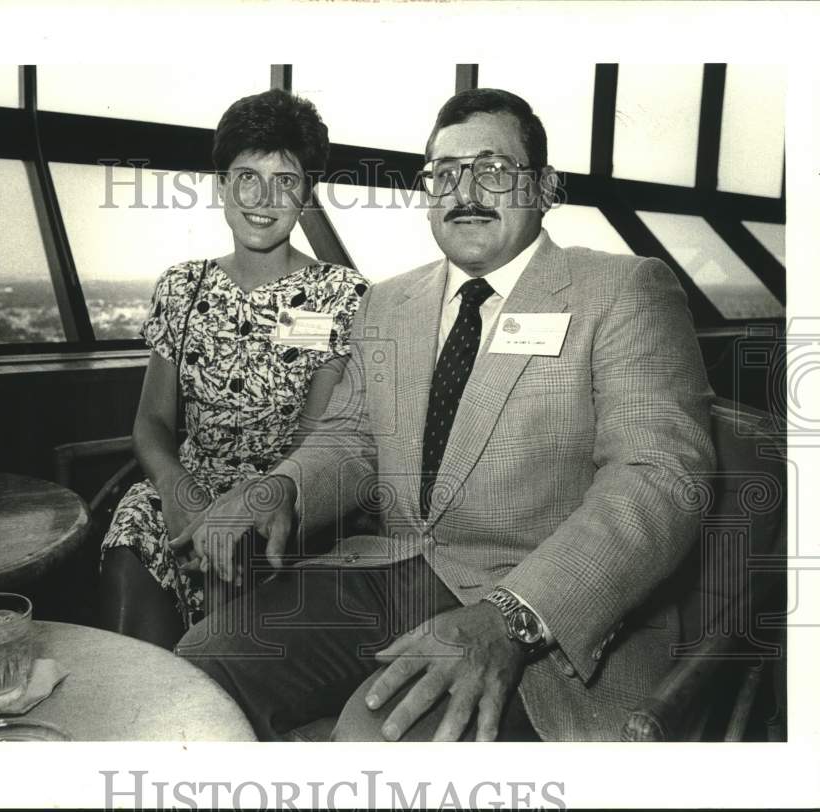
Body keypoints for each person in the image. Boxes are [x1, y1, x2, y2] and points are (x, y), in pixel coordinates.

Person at [172, 87, 717, 742]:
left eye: (492, 169)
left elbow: (659, 478)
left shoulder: (624, 290)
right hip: (392, 570)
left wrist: (510, 616)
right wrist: (283, 486)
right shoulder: (390, 303)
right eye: (446, 173)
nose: (466, 190)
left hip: (543, 613)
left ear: (543, 189)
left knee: (375, 742)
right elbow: (354, 439)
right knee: (192, 678)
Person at [98, 89, 369, 650]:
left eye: (285, 180)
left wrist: (250, 501)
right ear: (221, 184)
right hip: (184, 486)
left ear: (308, 193)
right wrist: (175, 488)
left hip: (282, 502)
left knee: (238, 563)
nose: (262, 197)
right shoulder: (182, 286)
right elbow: (151, 422)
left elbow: (316, 438)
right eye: (247, 175)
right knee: (131, 535)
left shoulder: (340, 295)